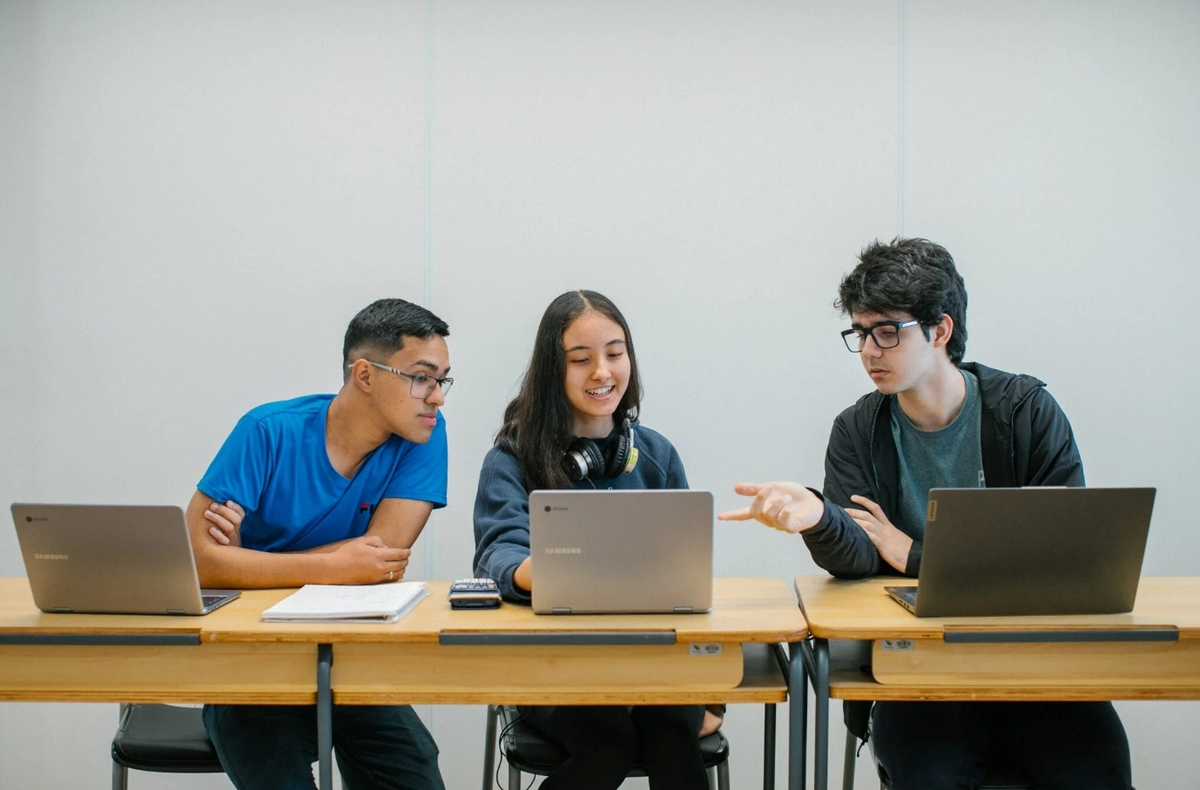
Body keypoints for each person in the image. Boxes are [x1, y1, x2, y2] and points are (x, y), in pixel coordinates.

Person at [719, 238, 1134, 790]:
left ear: (940, 330)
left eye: (887, 331)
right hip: (917, 668)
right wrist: (819, 517)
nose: (869, 350)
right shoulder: (857, 430)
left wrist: (911, 553)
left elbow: (1059, 557)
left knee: (1096, 772)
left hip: (1037, 664)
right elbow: (859, 558)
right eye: (860, 333)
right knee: (930, 775)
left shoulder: (1026, 411)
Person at [187, 297, 451, 790]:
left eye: (442, 380)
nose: (436, 397)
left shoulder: (425, 438)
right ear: (365, 374)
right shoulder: (266, 432)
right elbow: (197, 564)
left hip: (352, 659)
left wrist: (246, 563)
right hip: (249, 664)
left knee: (415, 770)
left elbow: (377, 564)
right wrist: (334, 565)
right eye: (421, 377)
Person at [473, 289, 721, 790]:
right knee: (609, 743)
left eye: (615, 353)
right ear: (551, 370)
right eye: (581, 360)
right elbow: (498, 555)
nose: (603, 372)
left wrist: (706, 689)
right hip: (556, 668)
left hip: (652, 667)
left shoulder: (654, 455)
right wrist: (554, 567)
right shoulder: (511, 459)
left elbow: (688, 570)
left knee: (674, 735)